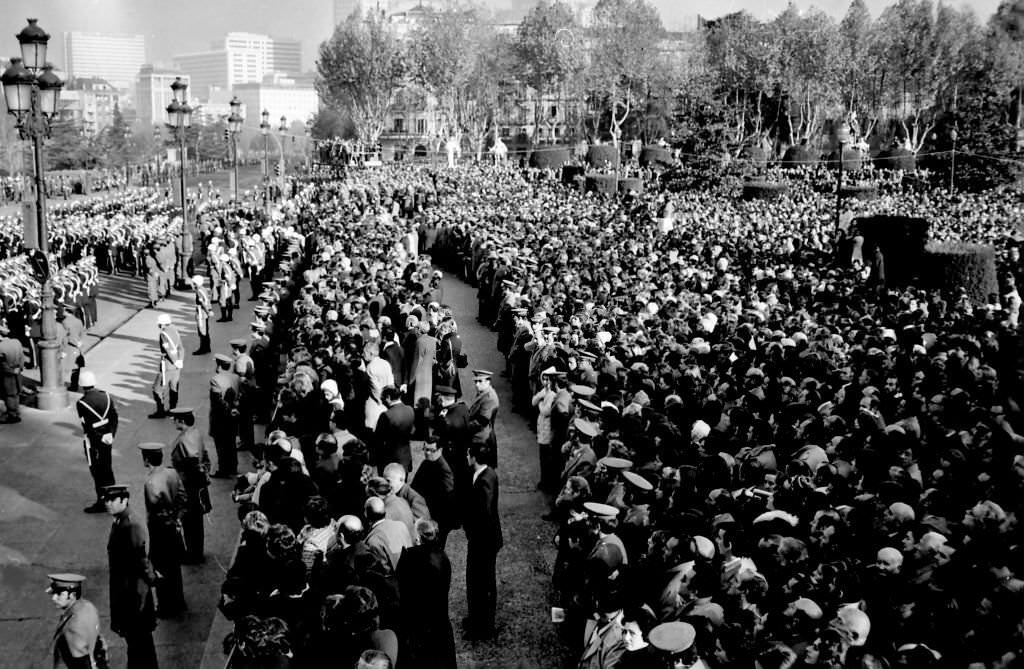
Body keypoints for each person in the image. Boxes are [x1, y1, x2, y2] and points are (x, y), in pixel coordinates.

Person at [102, 484, 158, 669]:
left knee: (139, 642)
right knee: (136, 642)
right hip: (126, 591)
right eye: (106, 500)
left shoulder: (131, 524)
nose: (108, 504)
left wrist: (152, 580)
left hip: (134, 595)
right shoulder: (120, 520)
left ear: (124, 500)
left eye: (112, 500)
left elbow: (142, 559)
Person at [396, 519, 457, 668]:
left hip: (417, 625)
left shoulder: (409, 557)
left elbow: (401, 589)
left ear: (417, 537)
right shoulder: (442, 556)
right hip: (440, 622)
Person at [138, 442, 187, 617]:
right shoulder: (171, 472)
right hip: (173, 526)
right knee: (174, 567)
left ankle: (166, 606)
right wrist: (177, 518)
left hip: (160, 531)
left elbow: (155, 510)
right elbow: (182, 497)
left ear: (146, 460)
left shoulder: (150, 483)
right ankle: (179, 601)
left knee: (161, 567)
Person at [462, 441, 502, 640]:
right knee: (481, 582)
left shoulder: (484, 481)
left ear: (475, 458)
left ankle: (482, 627)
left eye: (469, 454)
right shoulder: (488, 474)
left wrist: (472, 531)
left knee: (479, 583)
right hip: (487, 539)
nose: (467, 457)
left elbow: (484, 513)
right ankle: (479, 620)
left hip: (482, 542)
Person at [169, 407, 211, 564]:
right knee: (197, 522)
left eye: (176, 419)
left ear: (182, 421)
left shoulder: (184, 440)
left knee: (189, 521)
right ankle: (197, 551)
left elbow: (192, 464)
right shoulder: (195, 433)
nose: (174, 421)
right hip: (197, 484)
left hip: (188, 486)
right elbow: (204, 457)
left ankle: (193, 554)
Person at [76, 369, 119, 513]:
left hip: (93, 442)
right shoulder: (106, 396)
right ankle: (112, 498)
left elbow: (86, 426)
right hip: (108, 438)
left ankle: (102, 502)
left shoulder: (82, 403)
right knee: (107, 468)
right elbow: (114, 417)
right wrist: (110, 434)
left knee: (96, 471)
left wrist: (99, 437)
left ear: (82, 386)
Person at [47, 572, 106, 669]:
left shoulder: (73, 626)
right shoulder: (86, 606)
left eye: (59, 594)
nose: (54, 598)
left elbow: (80, 661)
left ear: (72, 595)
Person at [410, 437, 456, 546]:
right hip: (426, 512)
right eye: (425, 449)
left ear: (440, 450)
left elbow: (448, 499)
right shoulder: (426, 463)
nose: (427, 453)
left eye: (431, 450)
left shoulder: (444, 471)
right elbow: (415, 485)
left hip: (438, 518)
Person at [209, 353, 240, 478]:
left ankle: (223, 469)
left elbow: (217, 401)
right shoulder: (235, 377)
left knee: (221, 445)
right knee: (231, 442)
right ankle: (233, 467)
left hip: (220, 417)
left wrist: (227, 409)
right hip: (234, 415)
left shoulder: (215, 379)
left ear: (219, 366)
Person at [373, 386, 414, 473]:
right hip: (405, 457)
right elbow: (413, 430)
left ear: (388, 397)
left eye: (382, 398)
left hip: (389, 459)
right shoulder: (410, 410)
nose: (382, 401)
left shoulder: (386, 415)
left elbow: (378, 440)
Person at [150, 313, 183, 419]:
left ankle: (161, 411)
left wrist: (174, 361)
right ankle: (173, 410)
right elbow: (181, 348)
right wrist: (179, 361)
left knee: (157, 388)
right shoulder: (175, 330)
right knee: (174, 387)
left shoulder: (163, 334)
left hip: (168, 365)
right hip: (177, 365)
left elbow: (168, 350)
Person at [467, 370, 499, 466]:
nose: (477, 384)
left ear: (488, 381)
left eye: (480, 381)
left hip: (482, 438)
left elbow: (481, 422)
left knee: (480, 466)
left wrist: (464, 426)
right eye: (476, 382)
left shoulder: (489, 398)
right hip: (480, 436)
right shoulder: (483, 393)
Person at [0, 319, 24, 423]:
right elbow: (22, 358)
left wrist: (11, 370)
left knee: (9, 395)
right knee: (16, 394)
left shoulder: (0, 347)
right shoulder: (16, 342)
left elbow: (2, 364)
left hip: (7, 375)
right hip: (18, 372)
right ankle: (16, 411)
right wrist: (19, 368)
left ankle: (12, 415)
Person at [191, 275, 211, 355]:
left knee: (202, 331)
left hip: (201, 313)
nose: (193, 285)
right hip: (204, 313)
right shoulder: (203, 289)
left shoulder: (199, 291)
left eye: (194, 283)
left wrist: (207, 311)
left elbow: (203, 302)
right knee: (206, 330)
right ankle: (207, 347)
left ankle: (203, 348)